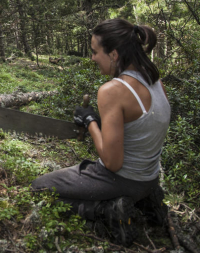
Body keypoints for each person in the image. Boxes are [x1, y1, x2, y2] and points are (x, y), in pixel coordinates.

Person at [31, 18, 170, 247]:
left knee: (39, 188)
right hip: (149, 178)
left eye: (95, 52)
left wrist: (90, 122)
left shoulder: (113, 90)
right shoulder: (155, 81)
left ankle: (108, 210)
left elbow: (112, 163)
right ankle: (146, 201)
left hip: (121, 179)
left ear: (114, 54)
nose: (92, 58)